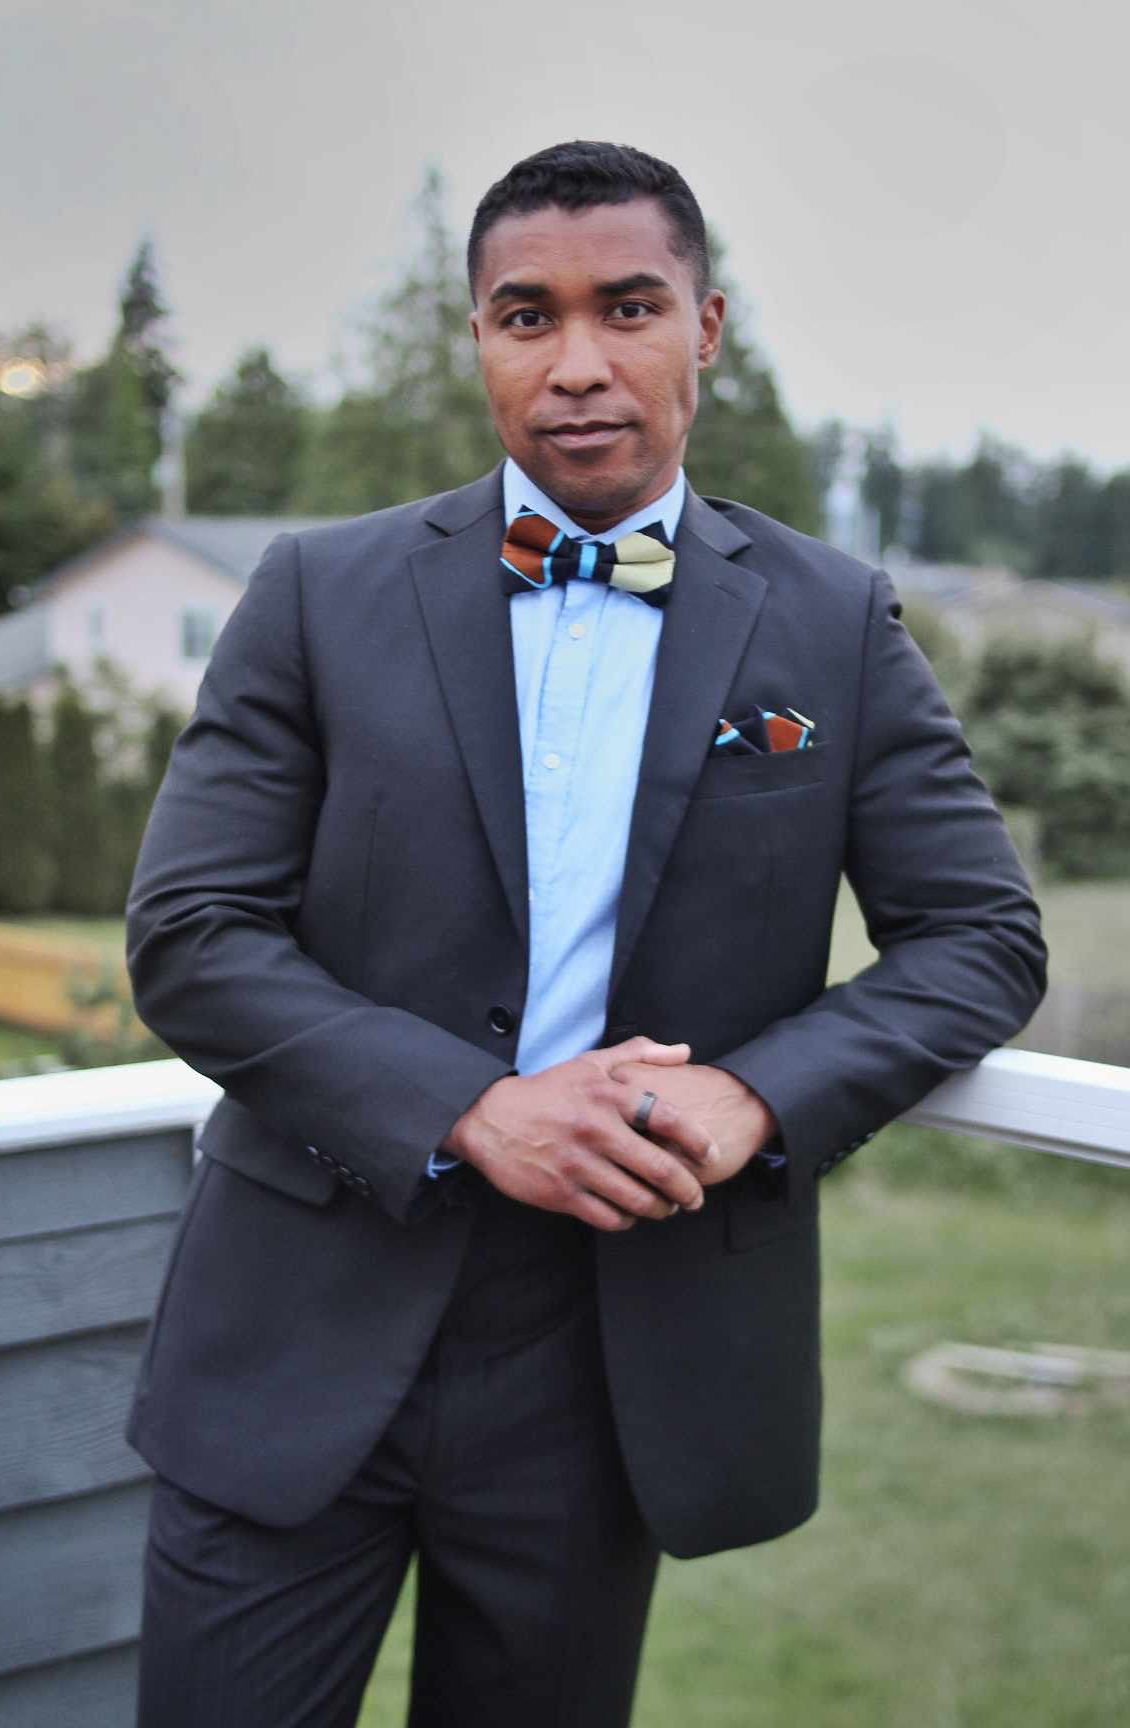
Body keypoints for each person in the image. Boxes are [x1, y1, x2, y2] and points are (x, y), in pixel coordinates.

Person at [124, 140, 1047, 1728]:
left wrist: (759, 1096)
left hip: (613, 1354)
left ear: (708, 328)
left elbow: (979, 937)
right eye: (523, 316)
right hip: (299, 1321)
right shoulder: (315, 593)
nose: (576, 367)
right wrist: (469, 1108)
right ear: (476, 338)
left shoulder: (832, 620)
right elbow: (192, 929)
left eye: (627, 308)